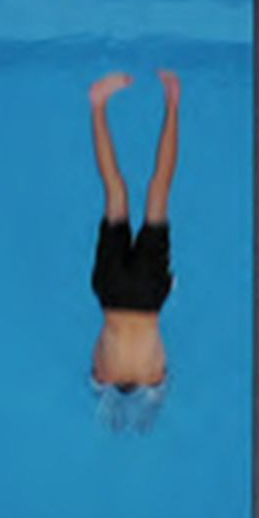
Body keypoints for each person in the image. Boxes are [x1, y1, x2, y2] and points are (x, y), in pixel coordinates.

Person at [87, 69, 180, 423]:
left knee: (159, 190)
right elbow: (96, 364)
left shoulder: (153, 376)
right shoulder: (105, 374)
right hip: (111, 295)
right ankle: (98, 104)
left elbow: (163, 380)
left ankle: (172, 102)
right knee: (115, 191)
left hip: (148, 297)